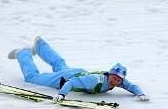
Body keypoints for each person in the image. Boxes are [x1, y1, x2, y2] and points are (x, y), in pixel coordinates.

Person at [8, 36, 149, 102]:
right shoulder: (94, 81)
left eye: (119, 79)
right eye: (115, 77)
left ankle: (40, 45)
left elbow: (131, 86)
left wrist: (140, 93)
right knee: (32, 77)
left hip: (77, 72)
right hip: (67, 79)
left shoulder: (115, 81)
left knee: (59, 64)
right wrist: (62, 94)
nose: (116, 81)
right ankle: (23, 53)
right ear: (110, 74)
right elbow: (72, 83)